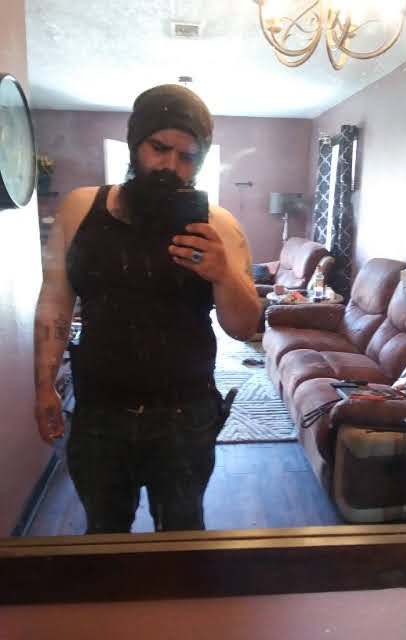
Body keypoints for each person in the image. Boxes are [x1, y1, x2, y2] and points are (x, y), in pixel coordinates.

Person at [34, 84, 261, 534]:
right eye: (159, 148)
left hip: (185, 418)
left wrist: (222, 274)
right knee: (104, 537)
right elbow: (56, 298)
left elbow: (244, 327)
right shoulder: (81, 208)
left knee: (181, 540)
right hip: (98, 413)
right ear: (135, 143)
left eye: (187, 156)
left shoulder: (219, 226)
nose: (170, 166)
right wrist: (44, 385)